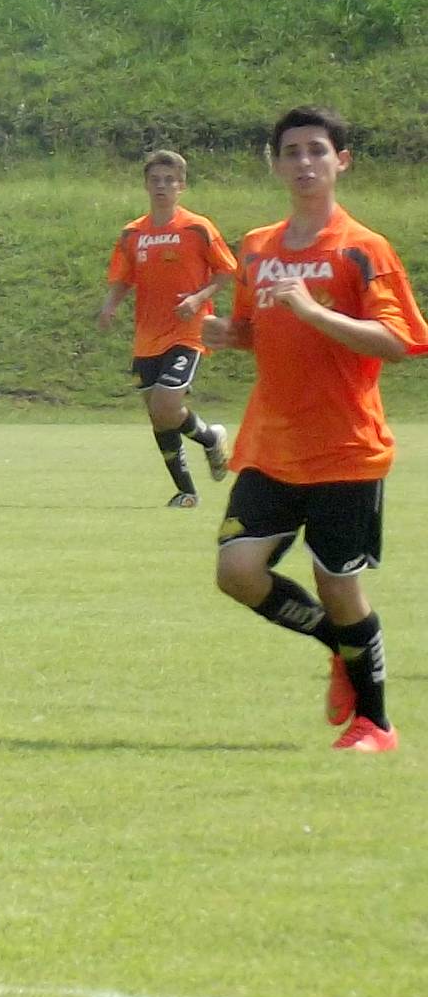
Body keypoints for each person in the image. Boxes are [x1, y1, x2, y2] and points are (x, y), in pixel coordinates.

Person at [203, 106, 425, 754]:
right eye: (292, 151)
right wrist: (230, 335)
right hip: (271, 446)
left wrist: (311, 309)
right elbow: (259, 330)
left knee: (338, 584)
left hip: (346, 449)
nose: (304, 162)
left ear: (341, 162)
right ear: (274, 163)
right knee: (236, 572)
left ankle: (375, 725)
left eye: (317, 151)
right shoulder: (257, 246)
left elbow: (400, 340)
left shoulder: (364, 248)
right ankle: (341, 646)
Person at [98, 149, 236, 506]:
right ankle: (189, 486)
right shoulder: (133, 233)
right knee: (159, 415)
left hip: (187, 332)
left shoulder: (197, 227)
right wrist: (110, 305)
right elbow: (123, 277)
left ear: (181, 186)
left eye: (169, 180)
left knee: (166, 401)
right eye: (155, 180)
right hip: (147, 337)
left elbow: (227, 272)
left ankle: (204, 448)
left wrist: (197, 298)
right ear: (146, 185)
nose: (162, 186)